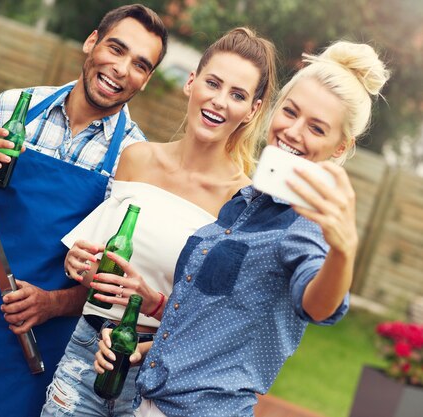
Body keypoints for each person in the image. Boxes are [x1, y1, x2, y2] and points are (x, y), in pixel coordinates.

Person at [94, 40, 390, 417]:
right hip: (149, 403)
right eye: (290, 112)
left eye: (316, 128)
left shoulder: (307, 224)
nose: (294, 132)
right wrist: (146, 351)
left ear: (339, 147)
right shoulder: (243, 203)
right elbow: (213, 322)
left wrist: (344, 251)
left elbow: (318, 306)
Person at [0, 4, 168, 417]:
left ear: (145, 80)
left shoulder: (135, 158)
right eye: (116, 48)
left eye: (140, 65)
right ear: (91, 42)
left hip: (36, 350)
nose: (122, 69)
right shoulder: (14, 106)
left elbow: (115, 283)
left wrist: (52, 303)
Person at [40, 28, 278, 417]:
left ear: (252, 110)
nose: (219, 101)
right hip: (88, 352)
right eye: (213, 83)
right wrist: (78, 264)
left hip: (162, 380)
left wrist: (150, 305)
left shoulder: (243, 204)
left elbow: (214, 326)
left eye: (237, 95)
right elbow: (99, 267)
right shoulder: (136, 158)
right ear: (191, 82)